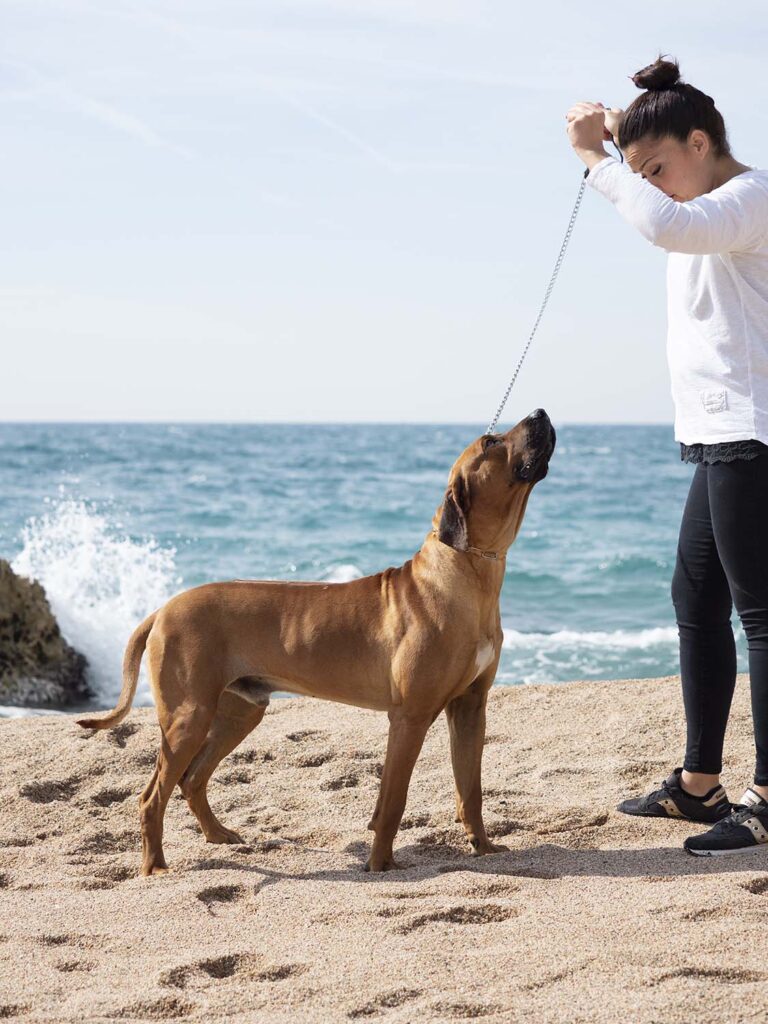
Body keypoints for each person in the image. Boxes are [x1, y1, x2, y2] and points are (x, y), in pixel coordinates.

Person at [566, 55, 768, 855]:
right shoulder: (707, 204)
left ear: (701, 139)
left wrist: (596, 161)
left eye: (660, 167)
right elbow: (664, 215)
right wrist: (623, 138)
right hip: (717, 432)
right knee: (694, 600)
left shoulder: (748, 198)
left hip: (754, 431)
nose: (652, 183)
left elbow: (664, 226)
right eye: (640, 171)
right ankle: (698, 784)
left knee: (762, 615)